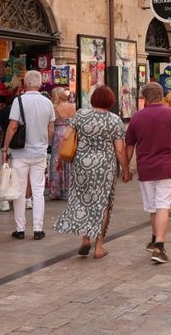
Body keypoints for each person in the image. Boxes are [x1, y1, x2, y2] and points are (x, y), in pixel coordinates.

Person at [54, 85, 128, 258]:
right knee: (102, 205)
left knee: (83, 201)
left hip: (81, 165)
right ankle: (99, 247)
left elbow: (65, 136)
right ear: (110, 101)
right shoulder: (114, 120)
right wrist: (126, 169)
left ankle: (85, 239)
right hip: (104, 168)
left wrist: (60, 157)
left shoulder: (81, 114)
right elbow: (120, 150)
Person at [125, 82, 171, 264]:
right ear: (161, 95)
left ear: (145, 98)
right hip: (167, 167)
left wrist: (125, 168)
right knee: (163, 205)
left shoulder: (137, 117)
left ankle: (155, 238)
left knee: (153, 206)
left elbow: (129, 146)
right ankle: (160, 246)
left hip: (146, 168)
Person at [3, 70, 56, 239]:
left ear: (25, 84)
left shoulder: (19, 101)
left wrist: (5, 148)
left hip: (20, 153)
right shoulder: (47, 103)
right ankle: (38, 229)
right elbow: (51, 128)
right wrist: (46, 144)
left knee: (18, 190)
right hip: (39, 152)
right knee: (38, 191)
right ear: (40, 84)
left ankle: (20, 229)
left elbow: (12, 127)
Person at [46, 87, 77, 202]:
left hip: (59, 135)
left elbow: (51, 127)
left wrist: (48, 142)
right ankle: (69, 191)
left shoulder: (55, 108)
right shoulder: (73, 106)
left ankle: (56, 190)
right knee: (69, 161)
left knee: (57, 162)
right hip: (71, 134)